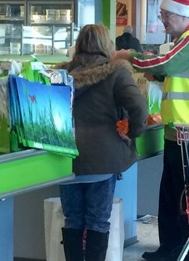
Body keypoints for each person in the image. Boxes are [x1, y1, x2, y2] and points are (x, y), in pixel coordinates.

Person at [114, 0, 189, 261]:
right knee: (172, 195)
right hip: (178, 131)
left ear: (180, 14)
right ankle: (171, 249)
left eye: (165, 15)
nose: (162, 20)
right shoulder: (185, 39)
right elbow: (176, 74)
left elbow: (167, 63)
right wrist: (159, 78)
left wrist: (130, 58)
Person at [58, 24, 147, 261]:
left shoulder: (61, 75)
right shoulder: (116, 72)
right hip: (103, 159)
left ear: (79, 45)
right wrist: (133, 131)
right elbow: (138, 106)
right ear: (107, 45)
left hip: (65, 157)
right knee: (98, 220)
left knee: (72, 219)